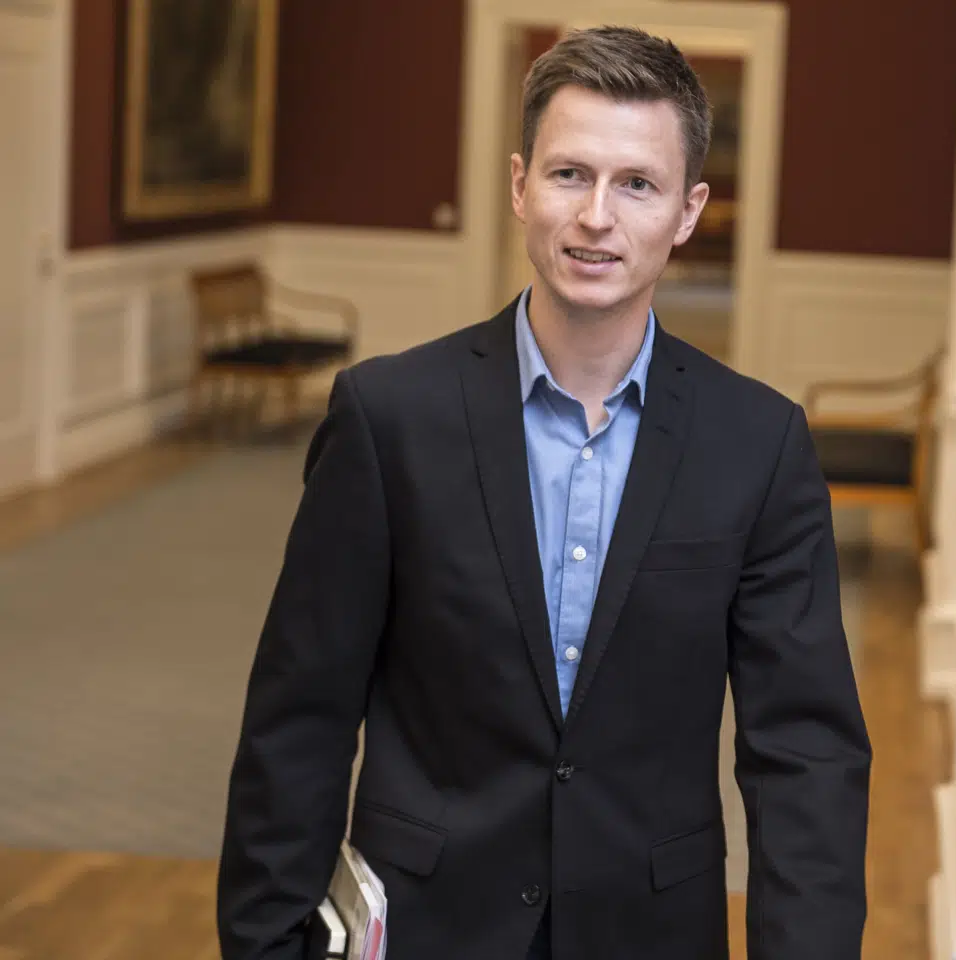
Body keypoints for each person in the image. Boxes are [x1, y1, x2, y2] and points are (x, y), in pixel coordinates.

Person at [215, 26, 870, 960]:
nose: (597, 216)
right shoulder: (388, 418)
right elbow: (299, 718)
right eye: (570, 175)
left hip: (651, 934)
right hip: (429, 929)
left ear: (687, 211)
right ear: (521, 186)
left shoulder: (759, 444)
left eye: (637, 184)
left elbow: (804, 751)